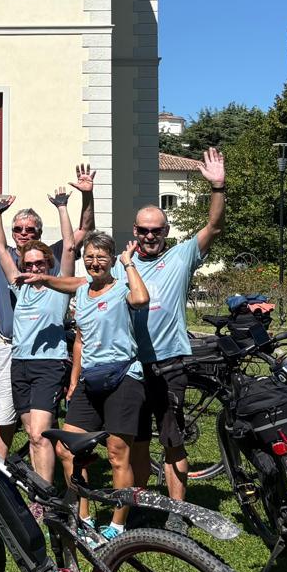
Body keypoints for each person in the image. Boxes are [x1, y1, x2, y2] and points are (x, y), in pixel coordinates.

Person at [0, 162, 91, 456]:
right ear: (12, 231)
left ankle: (43, 468)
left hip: (45, 350)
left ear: (38, 233)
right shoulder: (5, 261)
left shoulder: (49, 256)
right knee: (4, 415)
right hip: (10, 346)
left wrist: (81, 199)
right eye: (18, 228)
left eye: (30, 229)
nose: (24, 232)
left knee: (40, 422)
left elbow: (79, 235)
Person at [131, 147, 227, 529]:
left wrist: (217, 187)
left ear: (166, 232)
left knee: (172, 440)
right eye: (144, 230)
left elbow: (214, 227)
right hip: (131, 367)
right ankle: (138, 503)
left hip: (169, 363)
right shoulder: (123, 265)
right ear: (135, 231)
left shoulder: (181, 256)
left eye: (156, 230)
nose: (150, 236)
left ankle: (178, 512)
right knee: (137, 441)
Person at [59, 233, 150, 538]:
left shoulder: (123, 287)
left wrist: (128, 263)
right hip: (90, 378)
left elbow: (141, 300)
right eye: (89, 256)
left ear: (111, 259)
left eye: (101, 256)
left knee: (117, 453)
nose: (95, 262)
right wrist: (74, 380)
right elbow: (80, 340)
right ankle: (84, 518)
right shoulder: (82, 293)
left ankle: (117, 525)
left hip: (124, 376)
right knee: (67, 449)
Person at [0, 214, 77, 484]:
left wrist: (62, 208)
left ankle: (46, 495)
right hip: (20, 365)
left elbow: (70, 247)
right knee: (31, 434)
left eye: (40, 263)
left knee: (39, 434)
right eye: (29, 264)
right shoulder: (21, 288)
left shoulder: (59, 288)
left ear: (49, 264)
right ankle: (41, 491)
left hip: (48, 366)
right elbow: (0, 248)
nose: (35, 268)